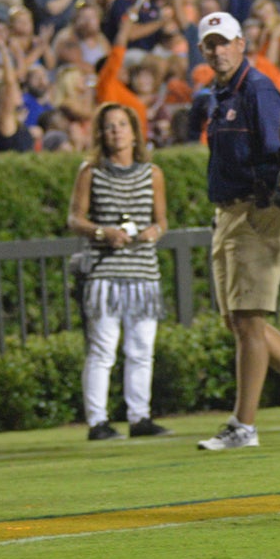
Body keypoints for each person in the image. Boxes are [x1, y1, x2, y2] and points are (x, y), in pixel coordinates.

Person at [197, 11, 280, 451]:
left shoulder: (258, 88)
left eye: (223, 41)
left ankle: (243, 425)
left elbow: (279, 150)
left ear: (241, 43)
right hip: (229, 211)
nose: (218, 50)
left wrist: (270, 199)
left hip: (257, 209)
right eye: (210, 44)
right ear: (202, 50)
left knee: (249, 319)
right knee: (238, 320)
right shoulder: (220, 91)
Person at [67, 102, 170, 441]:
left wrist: (155, 231)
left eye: (122, 125)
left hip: (142, 271)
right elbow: (75, 219)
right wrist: (103, 233)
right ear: (101, 133)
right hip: (105, 271)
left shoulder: (151, 172)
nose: (116, 132)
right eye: (109, 126)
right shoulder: (91, 171)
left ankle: (140, 416)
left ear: (134, 130)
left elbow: (161, 219)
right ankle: (98, 421)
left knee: (142, 348)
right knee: (103, 349)